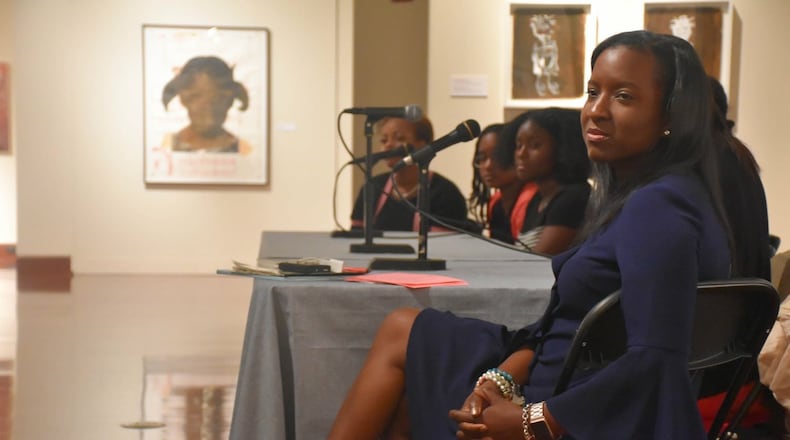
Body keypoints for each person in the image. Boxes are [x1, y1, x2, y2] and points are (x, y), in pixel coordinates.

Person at [328, 30, 733, 439]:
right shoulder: (651, 195)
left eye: (623, 96)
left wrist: (531, 421)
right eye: (593, 92)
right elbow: (565, 326)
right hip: (558, 378)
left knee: (406, 340)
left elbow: (656, 361)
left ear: (670, 117)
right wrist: (495, 381)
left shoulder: (659, 207)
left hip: (571, 405)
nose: (597, 110)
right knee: (407, 338)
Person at [350, 116, 468, 232]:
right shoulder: (372, 186)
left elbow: (446, 246)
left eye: (399, 138)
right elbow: (355, 236)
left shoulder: (445, 193)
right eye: (384, 140)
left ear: (423, 145)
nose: (388, 145)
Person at [507, 108, 591, 255]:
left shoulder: (573, 198)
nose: (521, 154)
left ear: (562, 148)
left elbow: (538, 261)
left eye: (534, 145)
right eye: (518, 145)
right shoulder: (538, 198)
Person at [161, 56, 252, 154]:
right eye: (196, 96)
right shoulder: (168, 146)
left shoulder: (243, 149)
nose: (208, 107)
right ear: (183, 98)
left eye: (219, 98)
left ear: (230, 100)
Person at [469, 123, 537, 244]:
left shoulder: (532, 198)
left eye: (497, 156)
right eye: (482, 158)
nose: (488, 166)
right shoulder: (496, 202)